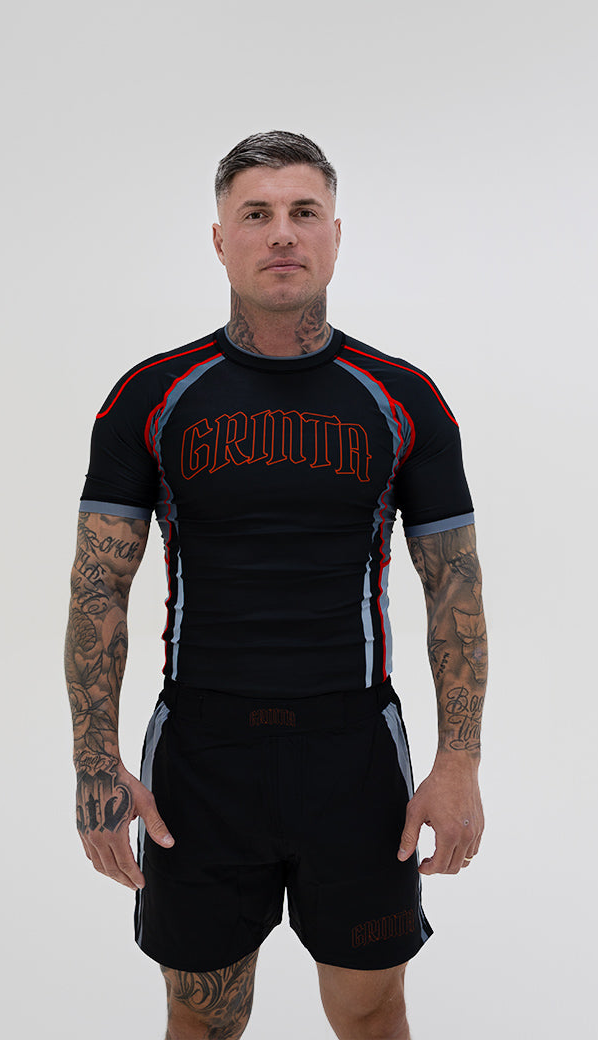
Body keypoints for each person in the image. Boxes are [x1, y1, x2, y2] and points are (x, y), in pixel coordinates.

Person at [64, 131, 487, 1039]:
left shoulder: (403, 397)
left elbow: (455, 592)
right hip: (203, 761)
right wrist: (96, 762)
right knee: (202, 1019)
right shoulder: (151, 395)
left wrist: (459, 761)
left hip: (355, 758)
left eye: (304, 212)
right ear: (221, 239)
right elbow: (99, 591)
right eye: (257, 214)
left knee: (370, 1013)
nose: (282, 233)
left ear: (335, 234)